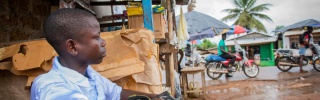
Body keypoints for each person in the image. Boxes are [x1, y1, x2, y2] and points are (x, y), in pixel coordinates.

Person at [30, 8, 161, 100]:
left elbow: (116, 93)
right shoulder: (51, 88)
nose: (103, 42)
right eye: (96, 37)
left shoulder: (89, 75)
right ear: (72, 47)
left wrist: (155, 97)